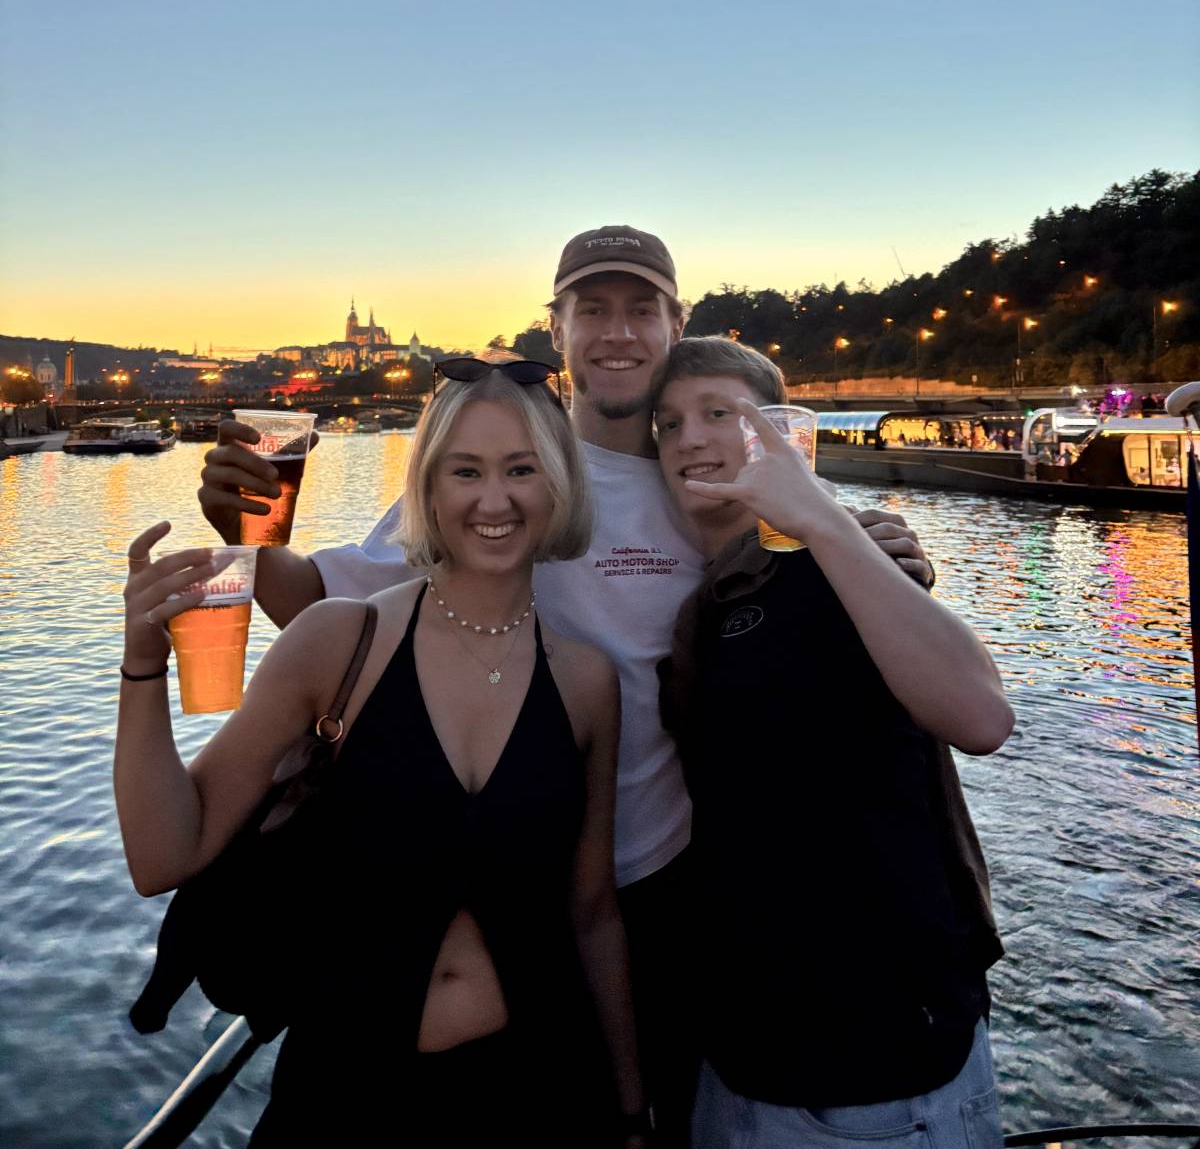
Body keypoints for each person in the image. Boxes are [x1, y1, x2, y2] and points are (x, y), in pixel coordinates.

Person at [197, 226, 935, 1143]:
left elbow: (823, 609)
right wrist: (253, 534)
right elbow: (321, 607)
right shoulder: (503, 466)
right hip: (516, 896)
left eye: (640, 309)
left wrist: (866, 543)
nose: (616, 333)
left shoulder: (713, 476)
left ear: (677, 322)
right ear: (557, 325)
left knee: (653, 1111)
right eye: (592, 310)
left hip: (666, 889)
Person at [117, 363, 648, 1146]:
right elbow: (165, 853)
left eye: (521, 469)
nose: (493, 500)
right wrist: (143, 663)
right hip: (346, 1094)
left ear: (559, 485)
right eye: (465, 470)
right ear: (427, 490)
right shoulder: (338, 642)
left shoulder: (586, 681)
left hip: (539, 1090)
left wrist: (632, 1108)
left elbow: (592, 911)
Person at [656, 335, 1014, 1149]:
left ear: (778, 432)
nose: (692, 438)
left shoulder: (837, 558)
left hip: (878, 1065)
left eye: (720, 413)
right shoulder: (709, 600)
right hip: (743, 1055)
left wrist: (821, 519)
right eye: (670, 424)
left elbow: (983, 717)